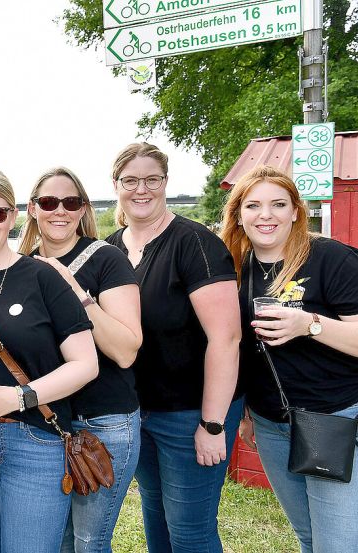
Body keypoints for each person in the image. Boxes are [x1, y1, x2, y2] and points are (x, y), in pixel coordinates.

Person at [221, 165, 358, 553]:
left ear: (296, 211)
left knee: (338, 547)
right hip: (274, 427)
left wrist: (310, 324)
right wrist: (249, 411)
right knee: (311, 540)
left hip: (341, 423)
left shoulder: (333, 259)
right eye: (253, 205)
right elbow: (243, 348)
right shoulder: (235, 268)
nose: (266, 215)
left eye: (278, 204)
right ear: (238, 214)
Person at [0, 168, 100, 553]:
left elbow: (85, 363)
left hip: (36, 439)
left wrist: (18, 397)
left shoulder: (43, 277)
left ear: (13, 216)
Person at [106, 143, 242, 553]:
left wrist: (212, 424)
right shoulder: (110, 248)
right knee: (156, 515)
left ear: (166, 183)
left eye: (152, 180)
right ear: (116, 186)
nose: (141, 190)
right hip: (139, 412)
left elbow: (227, 338)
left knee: (190, 531)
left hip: (191, 413)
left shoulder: (194, 243)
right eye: (131, 180)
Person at [18, 167, 142, 553]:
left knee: (89, 542)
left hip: (104, 420)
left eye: (70, 202)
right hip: (49, 425)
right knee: (55, 540)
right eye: (48, 202)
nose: (59, 211)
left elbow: (125, 350)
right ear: (32, 209)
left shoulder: (106, 258)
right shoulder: (22, 266)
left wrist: (72, 288)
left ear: (83, 208)